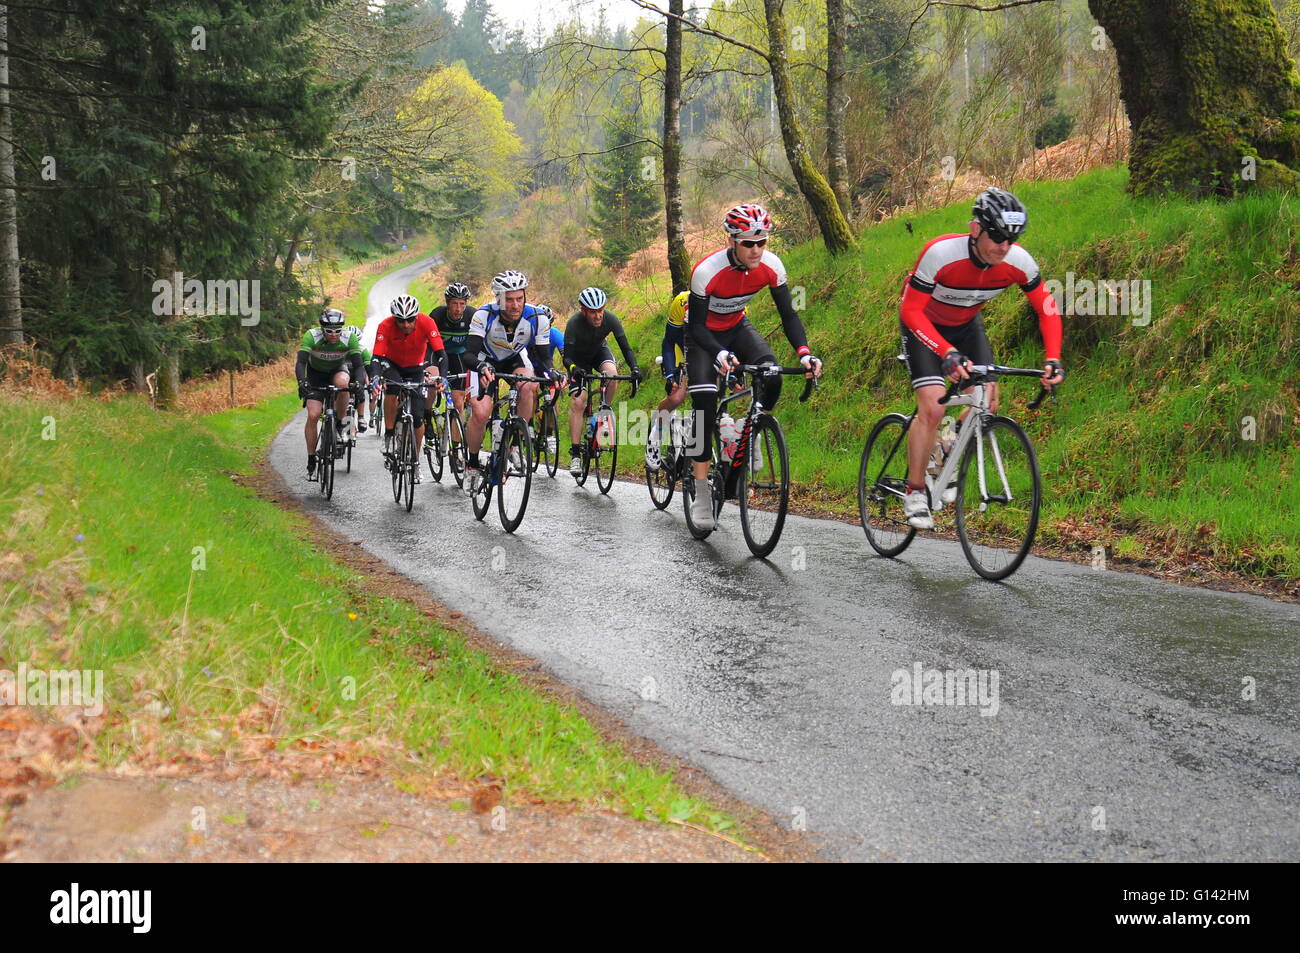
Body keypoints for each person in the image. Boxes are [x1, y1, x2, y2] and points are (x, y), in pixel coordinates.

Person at [898, 186, 1064, 529]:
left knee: (987, 401)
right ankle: (914, 491)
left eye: (1012, 239)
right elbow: (911, 310)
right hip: (924, 326)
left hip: (966, 325)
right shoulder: (941, 254)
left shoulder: (1017, 261)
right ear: (976, 229)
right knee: (933, 407)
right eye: (998, 237)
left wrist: (1053, 358)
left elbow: (1047, 309)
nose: (1004, 246)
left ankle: (944, 450)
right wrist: (945, 352)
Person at [685, 204, 822, 529]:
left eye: (762, 241)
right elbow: (699, 328)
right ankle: (702, 494)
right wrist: (719, 355)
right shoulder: (706, 271)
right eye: (749, 243)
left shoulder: (771, 266)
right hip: (703, 338)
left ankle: (752, 425)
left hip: (737, 328)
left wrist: (804, 354)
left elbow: (789, 316)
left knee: (772, 374)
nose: (757, 249)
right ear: (732, 240)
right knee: (704, 405)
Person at [462, 270, 554, 493]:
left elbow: (543, 358)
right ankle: (472, 465)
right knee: (482, 413)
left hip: (515, 358)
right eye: (509, 300)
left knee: (529, 384)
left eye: (519, 299)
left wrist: (553, 373)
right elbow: (468, 354)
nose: (515, 305)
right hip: (484, 360)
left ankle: (514, 441)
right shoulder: (483, 315)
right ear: (498, 299)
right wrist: (482, 367)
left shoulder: (537, 317)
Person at [369, 293, 448, 484]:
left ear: (416, 316)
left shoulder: (427, 323)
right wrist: (375, 378)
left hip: (416, 368)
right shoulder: (385, 326)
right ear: (394, 318)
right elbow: (376, 358)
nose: (405, 325)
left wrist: (443, 378)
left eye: (410, 320)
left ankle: (414, 460)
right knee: (393, 389)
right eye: (401, 321)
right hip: (392, 364)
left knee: (419, 418)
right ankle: (388, 435)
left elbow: (441, 354)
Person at [562, 286, 641, 476]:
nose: (598, 316)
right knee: (579, 401)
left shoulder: (611, 319)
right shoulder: (574, 323)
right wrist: (574, 370)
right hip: (578, 360)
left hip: (598, 352)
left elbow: (625, 347)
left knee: (612, 375)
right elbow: (567, 358)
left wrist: (635, 368)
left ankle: (604, 412)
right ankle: (575, 455)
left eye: (600, 311)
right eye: (593, 312)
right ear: (583, 311)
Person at [296, 308, 365, 480]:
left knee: (343, 384)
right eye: (329, 331)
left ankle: (341, 424)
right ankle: (311, 457)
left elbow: (359, 366)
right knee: (313, 414)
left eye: (337, 331)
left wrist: (358, 384)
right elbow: (301, 362)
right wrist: (302, 381)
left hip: (336, 370)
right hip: (315, 374)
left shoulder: (349, 338)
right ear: (322, 329)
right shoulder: (312, 336)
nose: (334, 335)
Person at [646, 290, 689, 471]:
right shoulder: (681, 301)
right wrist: (671, 374)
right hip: (683, 350)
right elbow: (668, 342)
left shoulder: (731, 301)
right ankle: (656, 435)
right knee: (677, 396)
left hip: (711, 352)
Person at [430, 281, 474, 444]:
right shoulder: (437, 315)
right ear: (447, 304)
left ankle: (456, 446)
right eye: (454, 304)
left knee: (458, 402)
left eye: (462, 304)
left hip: (457, 357)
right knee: (432, 382)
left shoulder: (471, 315)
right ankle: (428, 416)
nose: (458, 308)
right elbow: (426, 342)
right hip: (436, 355)